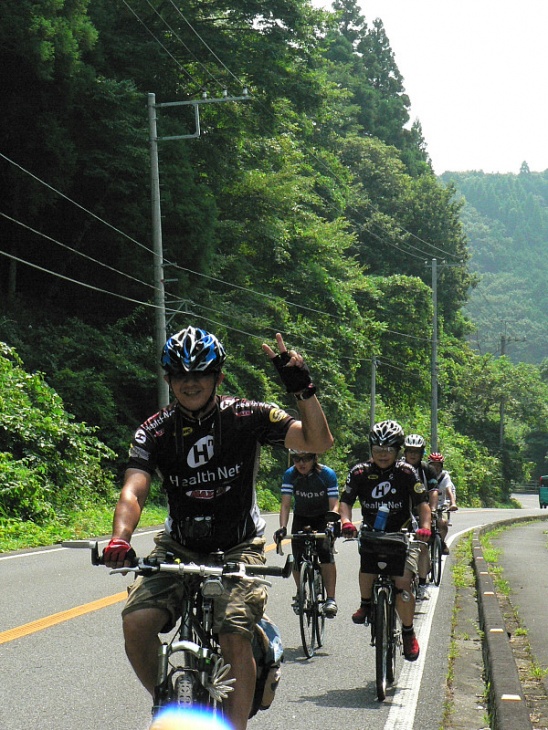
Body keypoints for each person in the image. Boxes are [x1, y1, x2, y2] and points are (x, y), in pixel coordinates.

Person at [103, 327, 333, 730]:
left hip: (238, 545)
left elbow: (318, 441)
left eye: (201, 373)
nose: (191, 382)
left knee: (232, 632)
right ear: (168, 380)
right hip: (179, 546)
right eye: (180, 374)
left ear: (219, 378)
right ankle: (168, 701)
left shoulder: (247, 416)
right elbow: (134, 490)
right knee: (136, 623)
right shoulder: (155, 430)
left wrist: (302, 387)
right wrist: (120, 538)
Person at [339, 420, 431, 662]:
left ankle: (409, 633)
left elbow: (423, 504)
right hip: (372, 533)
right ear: (370, 449)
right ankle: (366, 603)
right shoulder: (359, 472)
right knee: (367, 566)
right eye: (377, 449)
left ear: (397, 451)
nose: (382, 454)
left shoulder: (407, 473)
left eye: (388, 449)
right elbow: (345, 501)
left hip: (402, 533)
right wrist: (346, 522)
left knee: (402, 581)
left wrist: (425, 527)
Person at [274, 451, 340, 618]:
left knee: (325, 554)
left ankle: (330, 599)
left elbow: (334, 504)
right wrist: (282, 527)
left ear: (314, 458)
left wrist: (332, 524)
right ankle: (300, 593)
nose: (301, 463)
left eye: (306, 459)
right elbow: (286, 504)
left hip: (323, 517)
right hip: (301, 517)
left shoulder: (326, 474)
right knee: (297, 557)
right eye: (297, 459)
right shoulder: (290, 475)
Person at [403, 434, 440, 600]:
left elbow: (433, 492)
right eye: (409, 451)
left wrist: (432, 510)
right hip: (402, 512)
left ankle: (423, 583)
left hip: (420, 511)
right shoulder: (397, 467)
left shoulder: (427, 469)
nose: (412, 454)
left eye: (416, 452)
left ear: (422, 453)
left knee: (423, 546)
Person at [428, 452, 458, 554]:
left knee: (443, 523)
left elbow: (449, 490)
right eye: (433, 465)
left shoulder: (444, 476)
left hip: (441, 505)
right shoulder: (425, 474)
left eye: (438, 465)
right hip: (428, 505)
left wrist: (453, 504)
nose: (435, 468)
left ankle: (441, 541)